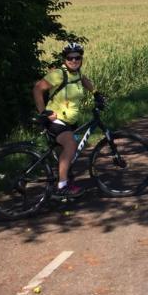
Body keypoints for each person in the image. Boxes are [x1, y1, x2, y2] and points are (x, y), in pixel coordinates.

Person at [33, 42, 97, 196]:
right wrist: (44, 112)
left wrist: (96, 93)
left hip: (70, 122)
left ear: (81, 59)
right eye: (70, 57)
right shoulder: (58, 74)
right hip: (56, 120)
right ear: (64, 59)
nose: (74, 60)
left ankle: (66, 180)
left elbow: (84, 80)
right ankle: (62, 187)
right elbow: (37, 89)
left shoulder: (77, 74)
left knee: (68, 153)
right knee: (71, 145)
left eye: (77, 57)